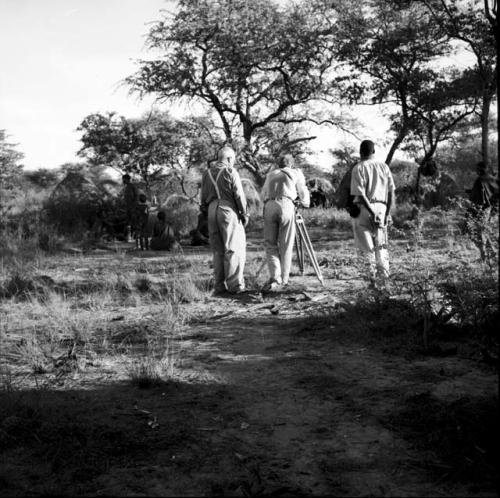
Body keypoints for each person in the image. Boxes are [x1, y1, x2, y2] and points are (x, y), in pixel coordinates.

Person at [200, 146, 248, 294]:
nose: (233, 162)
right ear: (228, 159)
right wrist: (244, 214)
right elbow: (239, 195)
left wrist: (206, 209)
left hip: (211, 210)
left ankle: (219, 285)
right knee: (232, 248)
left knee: (217, 250)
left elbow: (202, 197)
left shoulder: (206, 173)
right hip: (228, 210)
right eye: (232, 159)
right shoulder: (230, 171)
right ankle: (235, 285)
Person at [261, 154, 310, 292]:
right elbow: (303, 191)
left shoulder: (271, 174)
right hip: (286, 205)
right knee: (286, 244)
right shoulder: (296, 172)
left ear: (279, 164)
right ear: (291, 164)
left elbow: (263, 194)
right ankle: (284, 278)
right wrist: (305, 203)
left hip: (270, 204)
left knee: (270, 243)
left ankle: (275, 277)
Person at [350, 139, 395, 288]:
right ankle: (384, 283)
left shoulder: (359, 168)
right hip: (382, 208)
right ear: (374, 152)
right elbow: (391, 193)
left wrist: (371, 211)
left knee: (366, 248)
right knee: (381, 247)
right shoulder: (384, 167)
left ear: (360, 152)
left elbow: (360, 194)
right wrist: (387, 213)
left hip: (364, 209)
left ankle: (372, 283)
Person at [122, 173, 138, 242]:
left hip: (132, 208)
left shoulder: (132, 186)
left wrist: (134, 207)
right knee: (128, 222)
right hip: (127, 208)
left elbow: (136, 196)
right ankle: (128, 237)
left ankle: (135, 237)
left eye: (123, 179)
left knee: (133, 222)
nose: (122, 180)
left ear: (127, 179)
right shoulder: (126, 187)